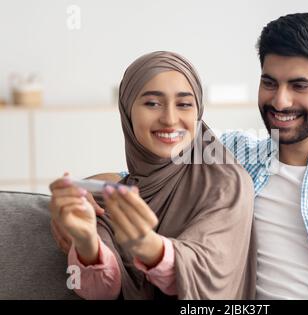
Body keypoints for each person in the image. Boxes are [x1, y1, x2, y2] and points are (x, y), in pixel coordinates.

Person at [56, 13, 308, 300]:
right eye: (270, 82)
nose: (280, 101)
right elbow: (150, 174)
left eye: (299, 85)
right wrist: (80, 195)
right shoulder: (229, 154)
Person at [48, 51, 256, 300]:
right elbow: (101, 291)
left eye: (184, 104)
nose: (170, 119)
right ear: (127, 112)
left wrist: (148, 246)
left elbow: (211, 276)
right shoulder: (106, 203)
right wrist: (86, 244)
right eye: (152, 103)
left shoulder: (227, 183)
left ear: (198, 112)